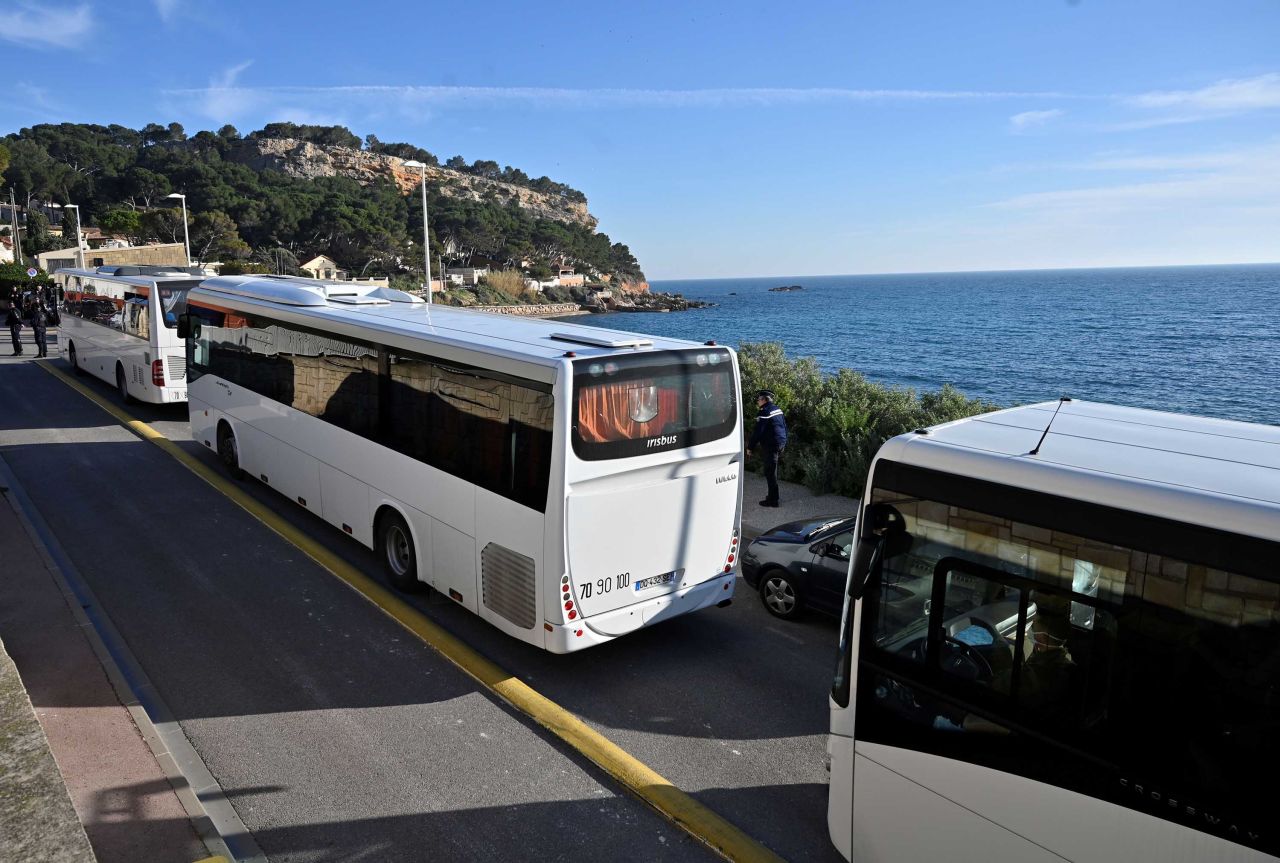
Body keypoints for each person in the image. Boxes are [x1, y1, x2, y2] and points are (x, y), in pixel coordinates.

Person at [746, 389, 788, 507]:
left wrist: (750, 447)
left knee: (770, 472)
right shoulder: (777, 409)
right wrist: (784, 442)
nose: (757, 402)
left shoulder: (764, 412)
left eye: (758, 399)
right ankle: (772, 496)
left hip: (772, 445)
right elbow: (784, 426)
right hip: (780, 442)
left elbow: (758, 432)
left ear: (764, 400)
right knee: (771, 471)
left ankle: (773, 501)